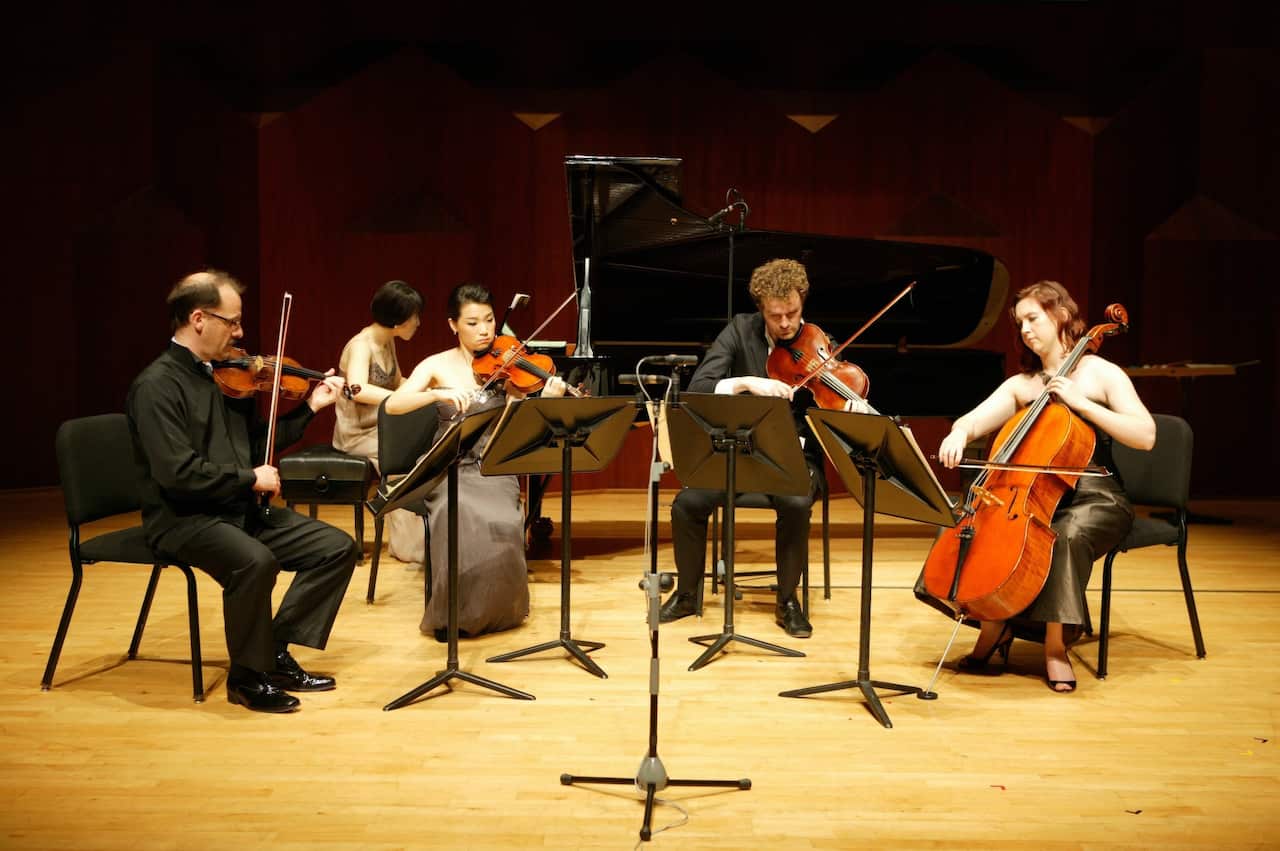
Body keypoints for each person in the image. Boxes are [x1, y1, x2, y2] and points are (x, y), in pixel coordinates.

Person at [127, 270, 360, 713]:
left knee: (335, 547)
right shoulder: (157, 386)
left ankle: (272, 650)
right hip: (183, 518)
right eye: (231, 322)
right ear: (198, 318)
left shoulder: (221, 377)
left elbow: (257, 445)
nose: (240, 332)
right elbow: (178, 475)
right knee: (255, 562)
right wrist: (250, 479)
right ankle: (247, 679)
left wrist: (311, 406)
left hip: (234, 509)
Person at [918, 280, 1156, 692]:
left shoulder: (1100, 374)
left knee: (1063, 537)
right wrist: (958, 434)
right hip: (1032, 496)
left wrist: (1082, 405)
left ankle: (1054, 647)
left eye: (1033, 318)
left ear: (1061, 316)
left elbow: (1145, 435)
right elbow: (973, 420)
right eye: (1020, 323)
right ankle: (992, 626)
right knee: (969, 527)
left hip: (1094, 496)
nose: (1025, 329)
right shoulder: (1023, 384)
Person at [657, 257, 827, 639]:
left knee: (796, 504)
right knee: (687, 503)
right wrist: (746, 382)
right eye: (775, 316)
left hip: (793, 458)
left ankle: (788, 601)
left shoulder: (818, 342)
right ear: (761, 310)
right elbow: (698, 389)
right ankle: (687, 594)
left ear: (803, 303)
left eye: (792, 313)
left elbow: (830, 413)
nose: (785, 324)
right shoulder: (739, 330)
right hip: (737, 453)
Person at [386, 282, 566, 639]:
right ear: (453, 324)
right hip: (448, 464)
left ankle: (500, 611)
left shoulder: (510, 366)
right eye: (472, 322)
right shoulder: (436, 364)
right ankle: (452, 616)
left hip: (492, 463)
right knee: (459, 513)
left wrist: (545, 399)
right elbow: (393, 405)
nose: (484, 330)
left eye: (489, 320)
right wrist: (438, 392)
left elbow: (519, 420)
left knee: (504, 518)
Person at [332, 279, 424, 562]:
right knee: (407, 460)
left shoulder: (388, 343)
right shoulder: (362, 346)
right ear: (397, 321)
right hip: (357, 434)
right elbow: (359, 389)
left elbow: (397, 383)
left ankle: (423, 539)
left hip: (381, 428)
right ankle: (408, 548)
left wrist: (430, 389)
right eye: (414, 317)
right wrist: (399, 400)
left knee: (426, 451)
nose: (418, 323)